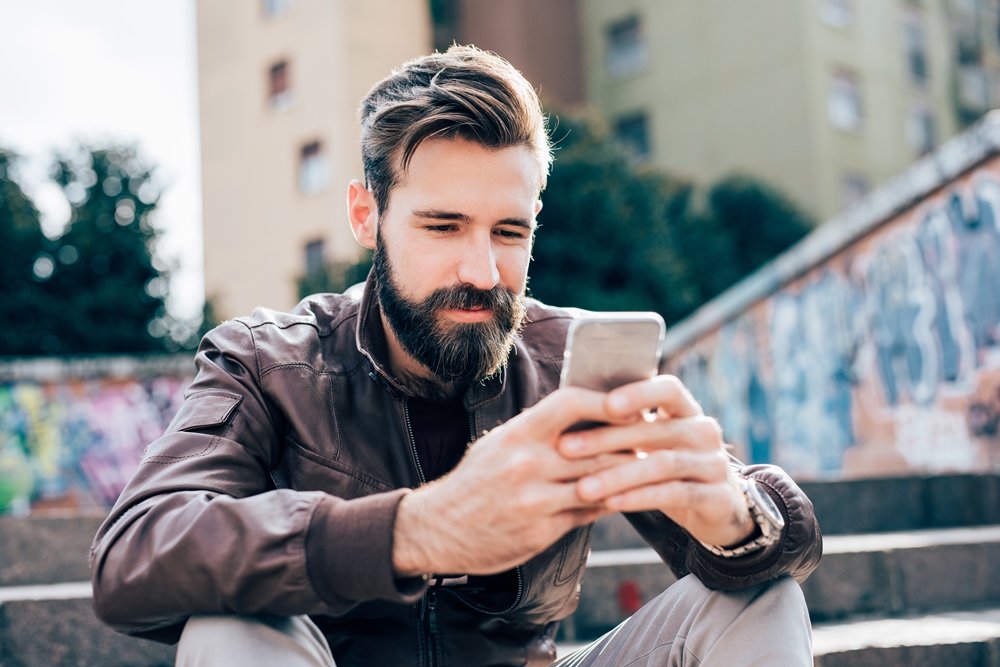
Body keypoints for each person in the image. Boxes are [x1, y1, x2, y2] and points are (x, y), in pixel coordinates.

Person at [91, 46, 821, 667]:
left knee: (759, 596)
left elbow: (780, 536)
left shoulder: (570, 357)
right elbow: (133, 552)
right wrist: (414, 528)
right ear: (364, 215)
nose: (482, 269)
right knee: (228, 627)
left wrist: (740, 521)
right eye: (443, 226)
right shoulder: (265, 361)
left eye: (509, 231)